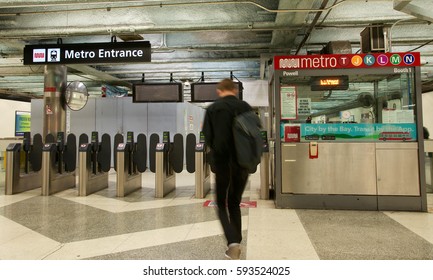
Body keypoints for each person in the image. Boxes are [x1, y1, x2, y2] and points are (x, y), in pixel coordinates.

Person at [202, 78, 253, 260]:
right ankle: (237, 242)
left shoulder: (213, 109)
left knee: (221, 204)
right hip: (243, 163)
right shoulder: (246, 107)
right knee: (234, 202)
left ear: (219, 91)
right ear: (235, 90)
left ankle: (232, 243)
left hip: (223, 162)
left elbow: (207, 137)